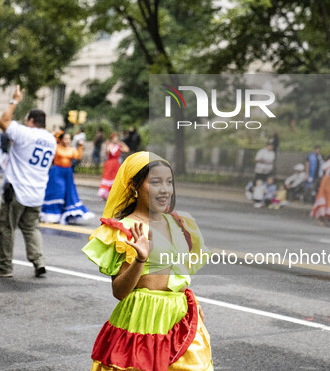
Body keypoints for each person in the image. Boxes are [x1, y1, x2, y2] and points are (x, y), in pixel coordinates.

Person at [82, 151, 213, 370]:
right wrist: (140, 259)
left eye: (169, 182)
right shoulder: (124, 229)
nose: (165, 190)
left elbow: (176, 272)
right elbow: (119, 292)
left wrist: (191, 300)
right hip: (143, 321)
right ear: (134, 185)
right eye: (155, 182)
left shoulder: (181, 223)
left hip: (181, 317)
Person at [0, 86, 56, 278]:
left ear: (31, 121)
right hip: (37, 192)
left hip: (17, 189)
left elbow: (3, 121)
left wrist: (14, 100)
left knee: (6, 227)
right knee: (31, 228)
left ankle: (4, 267)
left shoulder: (25, 133)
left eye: (27, 120)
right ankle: (39, 261)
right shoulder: (51, 139)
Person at [40, 132, 94, 224]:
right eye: (65, 138)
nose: (68, 141)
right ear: (61, 140)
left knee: (67, 193)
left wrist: (80, 146)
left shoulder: (72, 149)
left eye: (69, 139)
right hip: (56, 172)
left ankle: (61, 215)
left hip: (67, 173)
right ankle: (52, 215)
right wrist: (54, 135)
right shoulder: (56, 147)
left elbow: (78, 156)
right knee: (58, 192)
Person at [97, 133, 129, 200]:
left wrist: (122, 144)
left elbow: (126, 150)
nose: (116, 139)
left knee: (115, 178)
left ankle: (114, 193)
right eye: (114, 138)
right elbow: (107, 153)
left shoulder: (118, 146)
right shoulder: (110, 146)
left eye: (117, 138)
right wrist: (108, 145)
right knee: (107, 177)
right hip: (109, 164)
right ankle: (105, 194)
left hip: (116, 164)